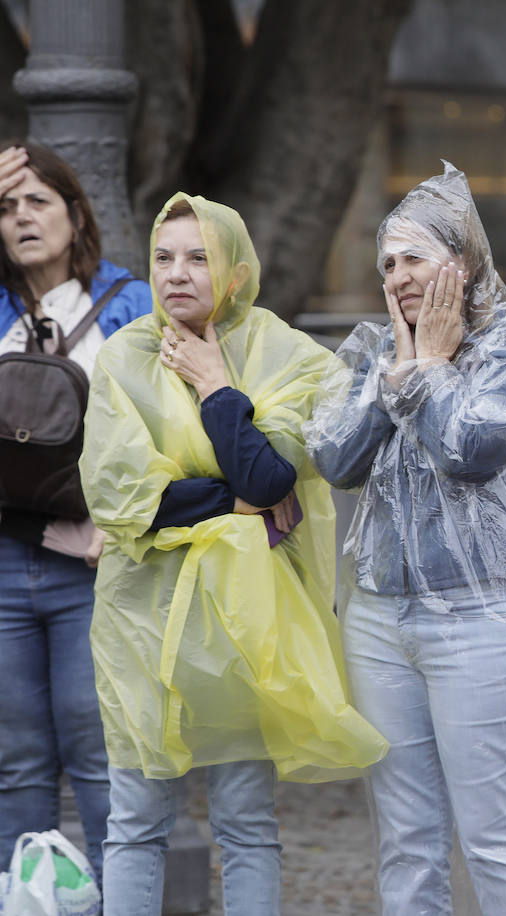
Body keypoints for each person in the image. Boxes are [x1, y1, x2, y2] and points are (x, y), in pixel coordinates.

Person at [79, 193, 388, 916]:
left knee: (247, 825)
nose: (177, 273)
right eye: (163, 256)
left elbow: (271, 477)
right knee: (135, 824)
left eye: (199, 257)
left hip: (244, 627)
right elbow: (128, 501)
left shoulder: (281, 355)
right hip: (143, 626)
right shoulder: (124, 360)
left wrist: (219, 388)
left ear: (238, 271)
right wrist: (235, 501)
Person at [305, 162, 506, 916]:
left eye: (415, 258)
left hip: (482, 619)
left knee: (497, 838)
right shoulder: (379, 354)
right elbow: (336, 459)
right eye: (389, 264)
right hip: (380, 616)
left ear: (461, 265)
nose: (399, 277)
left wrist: (429, 371)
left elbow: (471, 451)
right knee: (406, 841)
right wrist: (399, 371)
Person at [0, 141, 152, 881]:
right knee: (18, 760)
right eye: (5, 207)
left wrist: (129, 527)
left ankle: (112, 902)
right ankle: (31, 902)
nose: (22, 218)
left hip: (95, 566)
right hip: (3, 563)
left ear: (74, 212)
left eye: (38, 202)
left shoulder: (131, 304)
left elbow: (171, 431)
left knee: (99, 758)